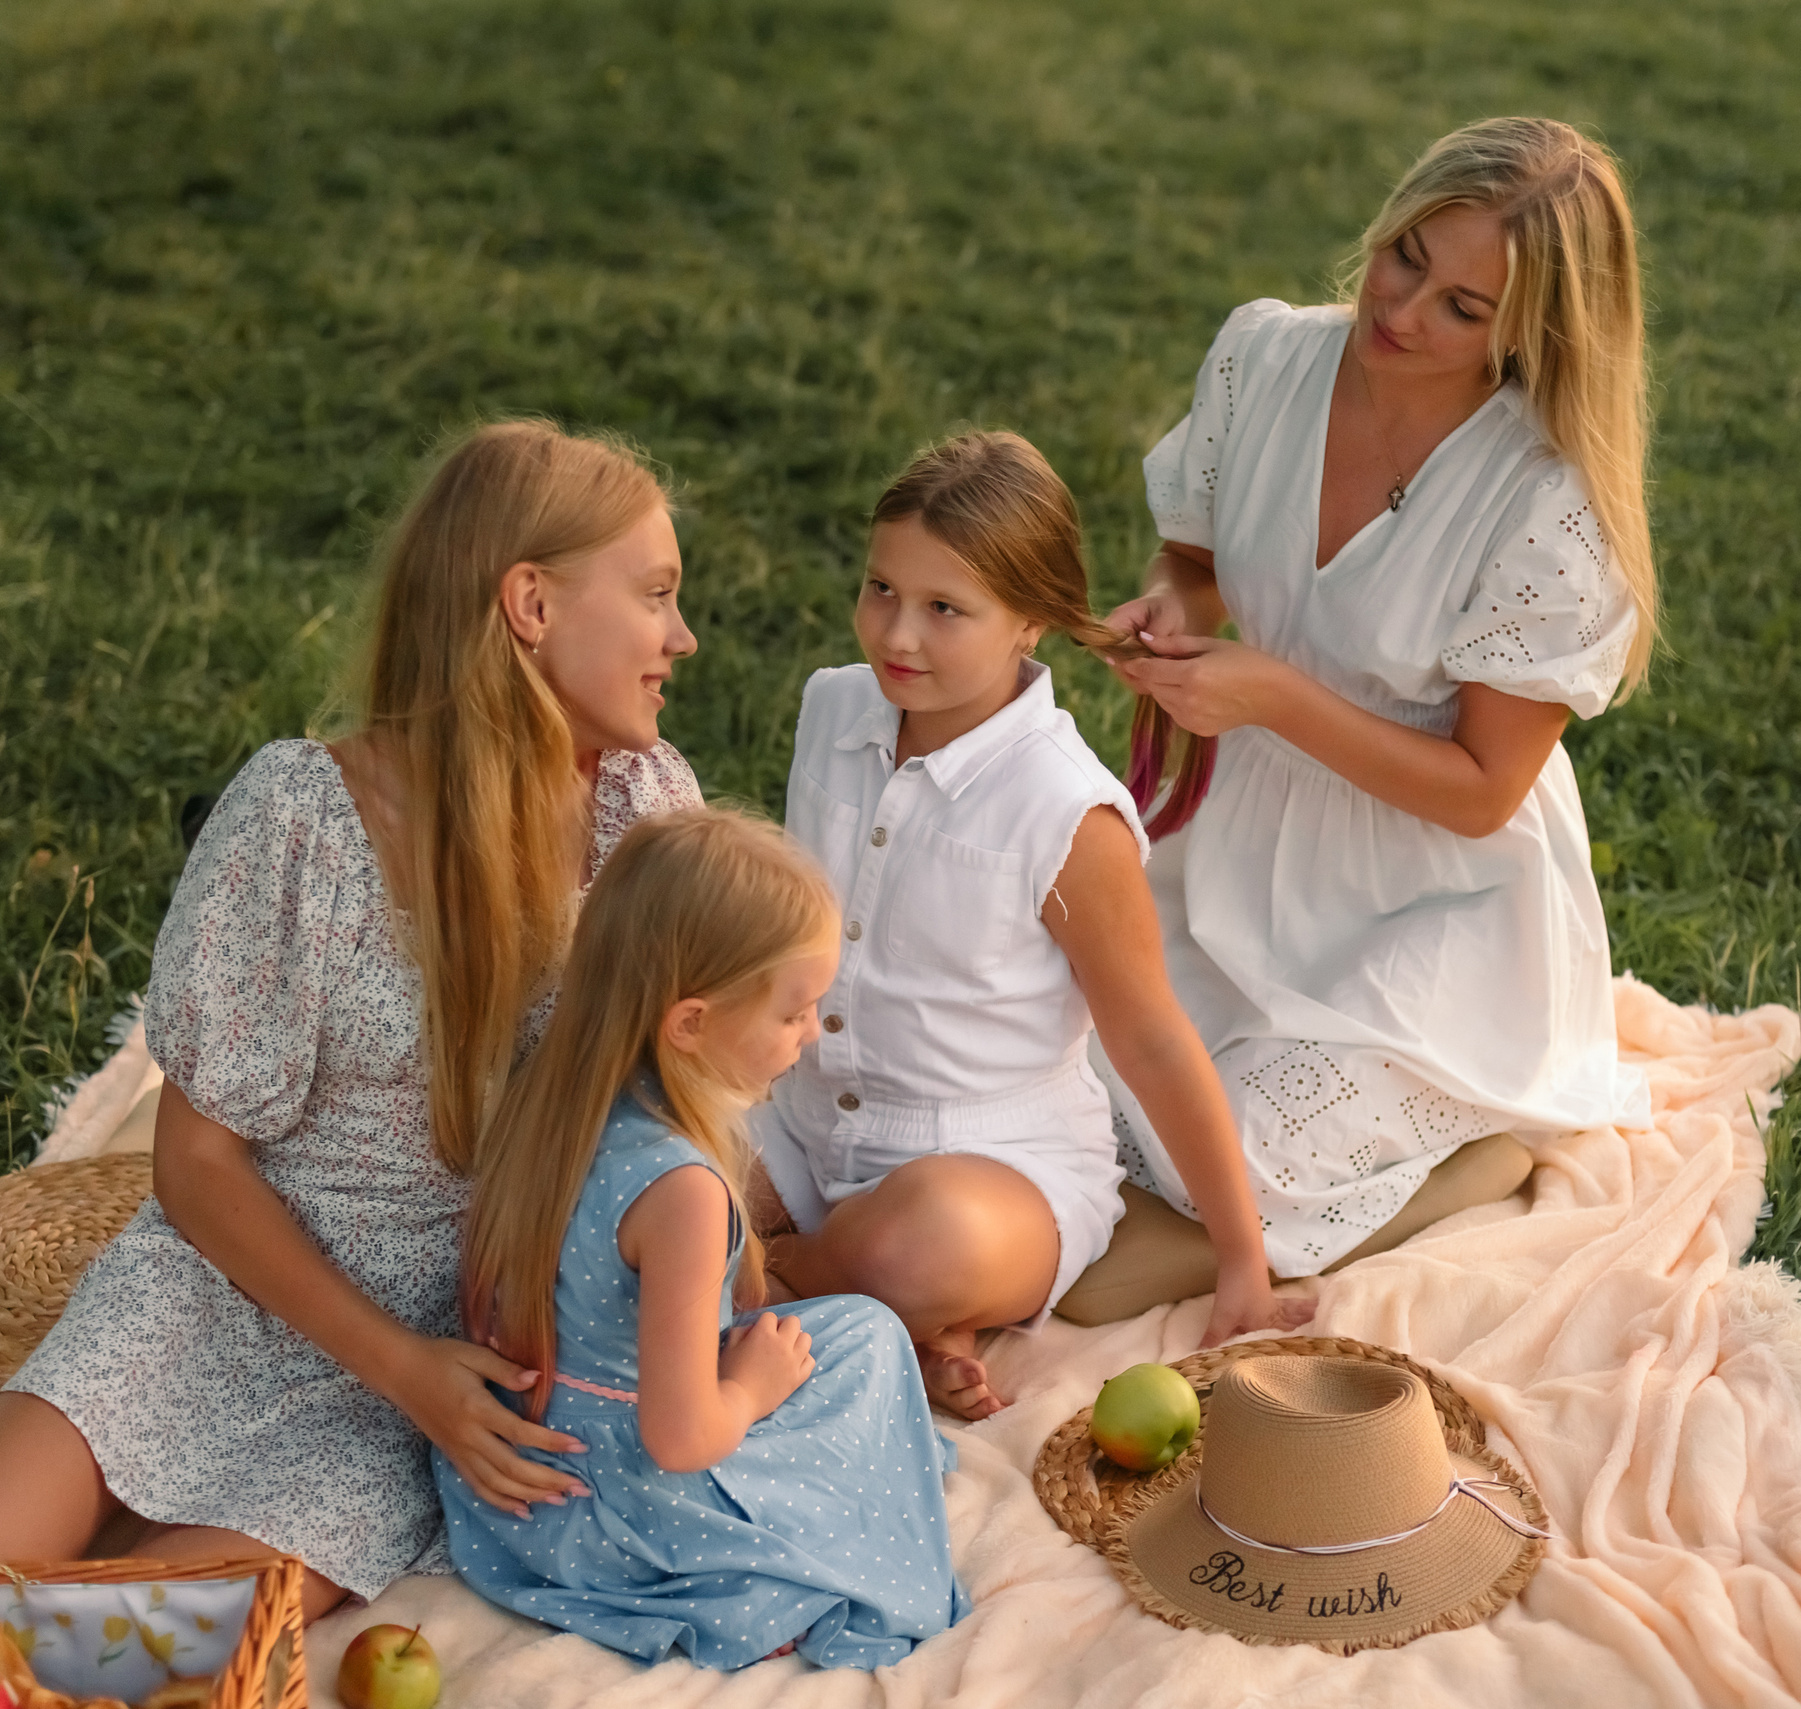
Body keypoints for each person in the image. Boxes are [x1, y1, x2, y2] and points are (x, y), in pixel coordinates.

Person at [0, 421, 706, 1616]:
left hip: (431, 1361)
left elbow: (680, 1100)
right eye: (655, 595)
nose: (682, 637)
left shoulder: (650, 818)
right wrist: (404, 1367)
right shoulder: (303, 818)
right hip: (233, 1286)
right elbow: (195, 1161)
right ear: (530, 604)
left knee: (110, 1643)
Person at [1056, 117, 1659, 1324]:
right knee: (1049, 1055)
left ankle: (1469, 1154)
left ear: (1533, 331)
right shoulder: (1265, 358)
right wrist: (1172, 614)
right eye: (1406, 259)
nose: (1404, 311)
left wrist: (1271, 694)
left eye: (1463, 308)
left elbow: (1484, 787)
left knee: (1194, 1164)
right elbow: (1197, 559)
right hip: (1232, 840)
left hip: (1435, 897)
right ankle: (1172, 1221)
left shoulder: (1545, 498)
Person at [750, 432, 1312, 1420]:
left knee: (913, 1245)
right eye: (881, 588)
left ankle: (765, 1281)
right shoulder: (831, 709)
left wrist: (1242, 1262)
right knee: (635, 1159)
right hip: (805, 1117)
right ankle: (896, 1318)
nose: (897, 635)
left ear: (1031, 622)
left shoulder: (1065, 812)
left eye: (943, 609)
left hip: (989, 1165)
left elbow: (1147, 1035)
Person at [440, 808, 967, 1670]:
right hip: (624, 1500)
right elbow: (680, 1437)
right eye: (795, 1012)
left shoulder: (562, 1102)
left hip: (520, 1484)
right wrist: (751, 1390)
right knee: (868, 1342)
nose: (812, 1032)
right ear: (688, 1023)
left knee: (846, 1332)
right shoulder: (682, 1189)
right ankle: (755, 1578)